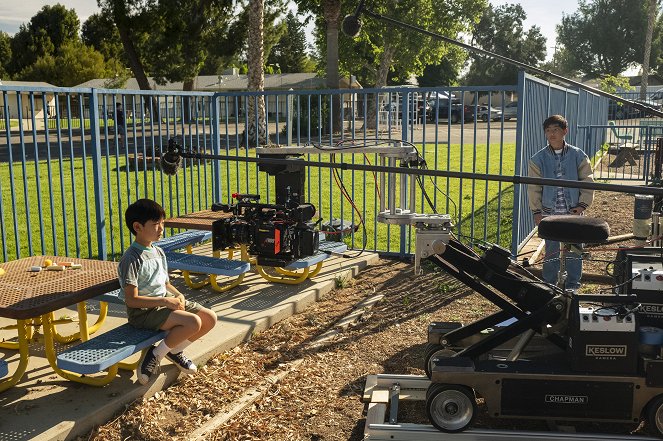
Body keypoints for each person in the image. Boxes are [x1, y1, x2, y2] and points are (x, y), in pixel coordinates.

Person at [118, 199, 217, 385]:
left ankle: (174, 351)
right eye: (156, 224)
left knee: (210, 318)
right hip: (143, 314)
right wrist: (165, 302)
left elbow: (165, 283)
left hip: (164, 304)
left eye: (162, 223)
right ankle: (154, 355)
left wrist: (178, 294)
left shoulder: (158, 252)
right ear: (138, 227)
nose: (161, 229)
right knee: (193, 322)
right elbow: (131, 300)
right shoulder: (131, 259)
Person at [527, 114, 594, 291]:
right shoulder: (537, 159)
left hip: (573, 210)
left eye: (555, 130)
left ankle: (573, 285)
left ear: (565, 131)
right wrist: (537, 211)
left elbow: (587, 181)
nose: (551, 134)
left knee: (573, 250)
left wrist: (582, 205)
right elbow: (534, 187)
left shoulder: (578, 155)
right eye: (548, 131)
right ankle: (550, 285)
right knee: (551, 251)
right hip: (550, 211)